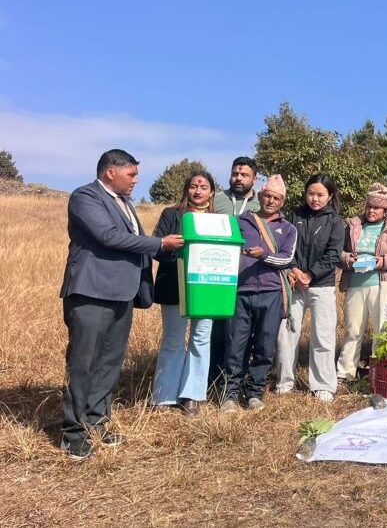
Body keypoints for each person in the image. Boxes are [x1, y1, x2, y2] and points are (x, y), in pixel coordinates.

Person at [59, 149, 184, 459]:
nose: (136, 180)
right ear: (110, 172)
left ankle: (97, 421)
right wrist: (160, 243)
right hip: (92, 293)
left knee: (110, 363)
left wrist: (179, 250)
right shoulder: (85, 197)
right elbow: (108, 236)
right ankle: (73, 433)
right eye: (131, 174)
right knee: (83, 363)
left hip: (122, 295)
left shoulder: (126, 204)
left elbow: (137, 244)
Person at [221, 175, 296, 413]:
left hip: (271, 292)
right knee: (236, 344)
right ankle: (230, 394)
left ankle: (254, 392)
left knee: (265, 346)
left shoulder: (289, 229)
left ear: (282, 202)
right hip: (241, 291)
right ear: (260, 197)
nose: (271, 201)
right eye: (267, 196)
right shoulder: (242, 221)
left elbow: (286, 258)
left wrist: (262, 254)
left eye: (276, 198)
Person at [150, 170, 217, 417]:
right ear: (186, 190)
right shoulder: (171, 214)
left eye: (203, 186)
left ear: (211, 192)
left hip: (208, 288)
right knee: (172, 340)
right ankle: (164, 395)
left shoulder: (219, 220)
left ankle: (192, 396)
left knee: (201, 339)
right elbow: (156, 247)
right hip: (173, 284)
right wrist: (172, 247)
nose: (198, 191)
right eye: (193, 186)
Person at [275, 174, 345, 402]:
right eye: (311, 193)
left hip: (321, 286)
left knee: (323, 335)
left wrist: (311, 274)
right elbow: (286, 248)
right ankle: (285, 380)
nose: (314, 199)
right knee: (287, 334)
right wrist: (295, 271)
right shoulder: (295, 216)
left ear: (330, 196)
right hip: (294, 284)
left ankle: (323, 384)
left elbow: (333, 254)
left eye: (320, 194)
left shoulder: (335, 221)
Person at [336, 183, 387, 380]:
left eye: (376, 208)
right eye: (369, 206)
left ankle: (379, 375)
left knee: (381, 332)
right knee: (352, 331)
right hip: (355, 285)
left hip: (381, 286)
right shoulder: (353, 226)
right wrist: (347, 259)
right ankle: (345, 373)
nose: (371, 211)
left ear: (385, 210)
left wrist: (383, 262)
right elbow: (336, 253)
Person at [209, 156, 260, 388]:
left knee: (243, 332)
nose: (238, 178)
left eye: (244, 175)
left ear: (254, 179)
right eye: (235, 173)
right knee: (217, 331)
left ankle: (240, 379)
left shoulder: (261, 204)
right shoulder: (217, 200)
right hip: (217, 274)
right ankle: (214, 380)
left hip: (249, 276)